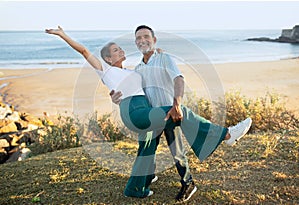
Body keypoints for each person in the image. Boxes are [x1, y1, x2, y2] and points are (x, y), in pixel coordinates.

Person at [45, 26, 252, 201]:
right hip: (142, 112)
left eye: (146, 37)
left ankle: (138, 187)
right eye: (115, 50)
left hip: (152, 110)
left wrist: (156, 58)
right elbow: (83, 52)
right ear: (107, 59)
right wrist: (62, 35)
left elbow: (159, 81)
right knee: (176, 122)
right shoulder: (107, 71)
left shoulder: (135, 70)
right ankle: (226, 134)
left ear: (153, 40)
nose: (120, 50)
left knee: (149, 149)